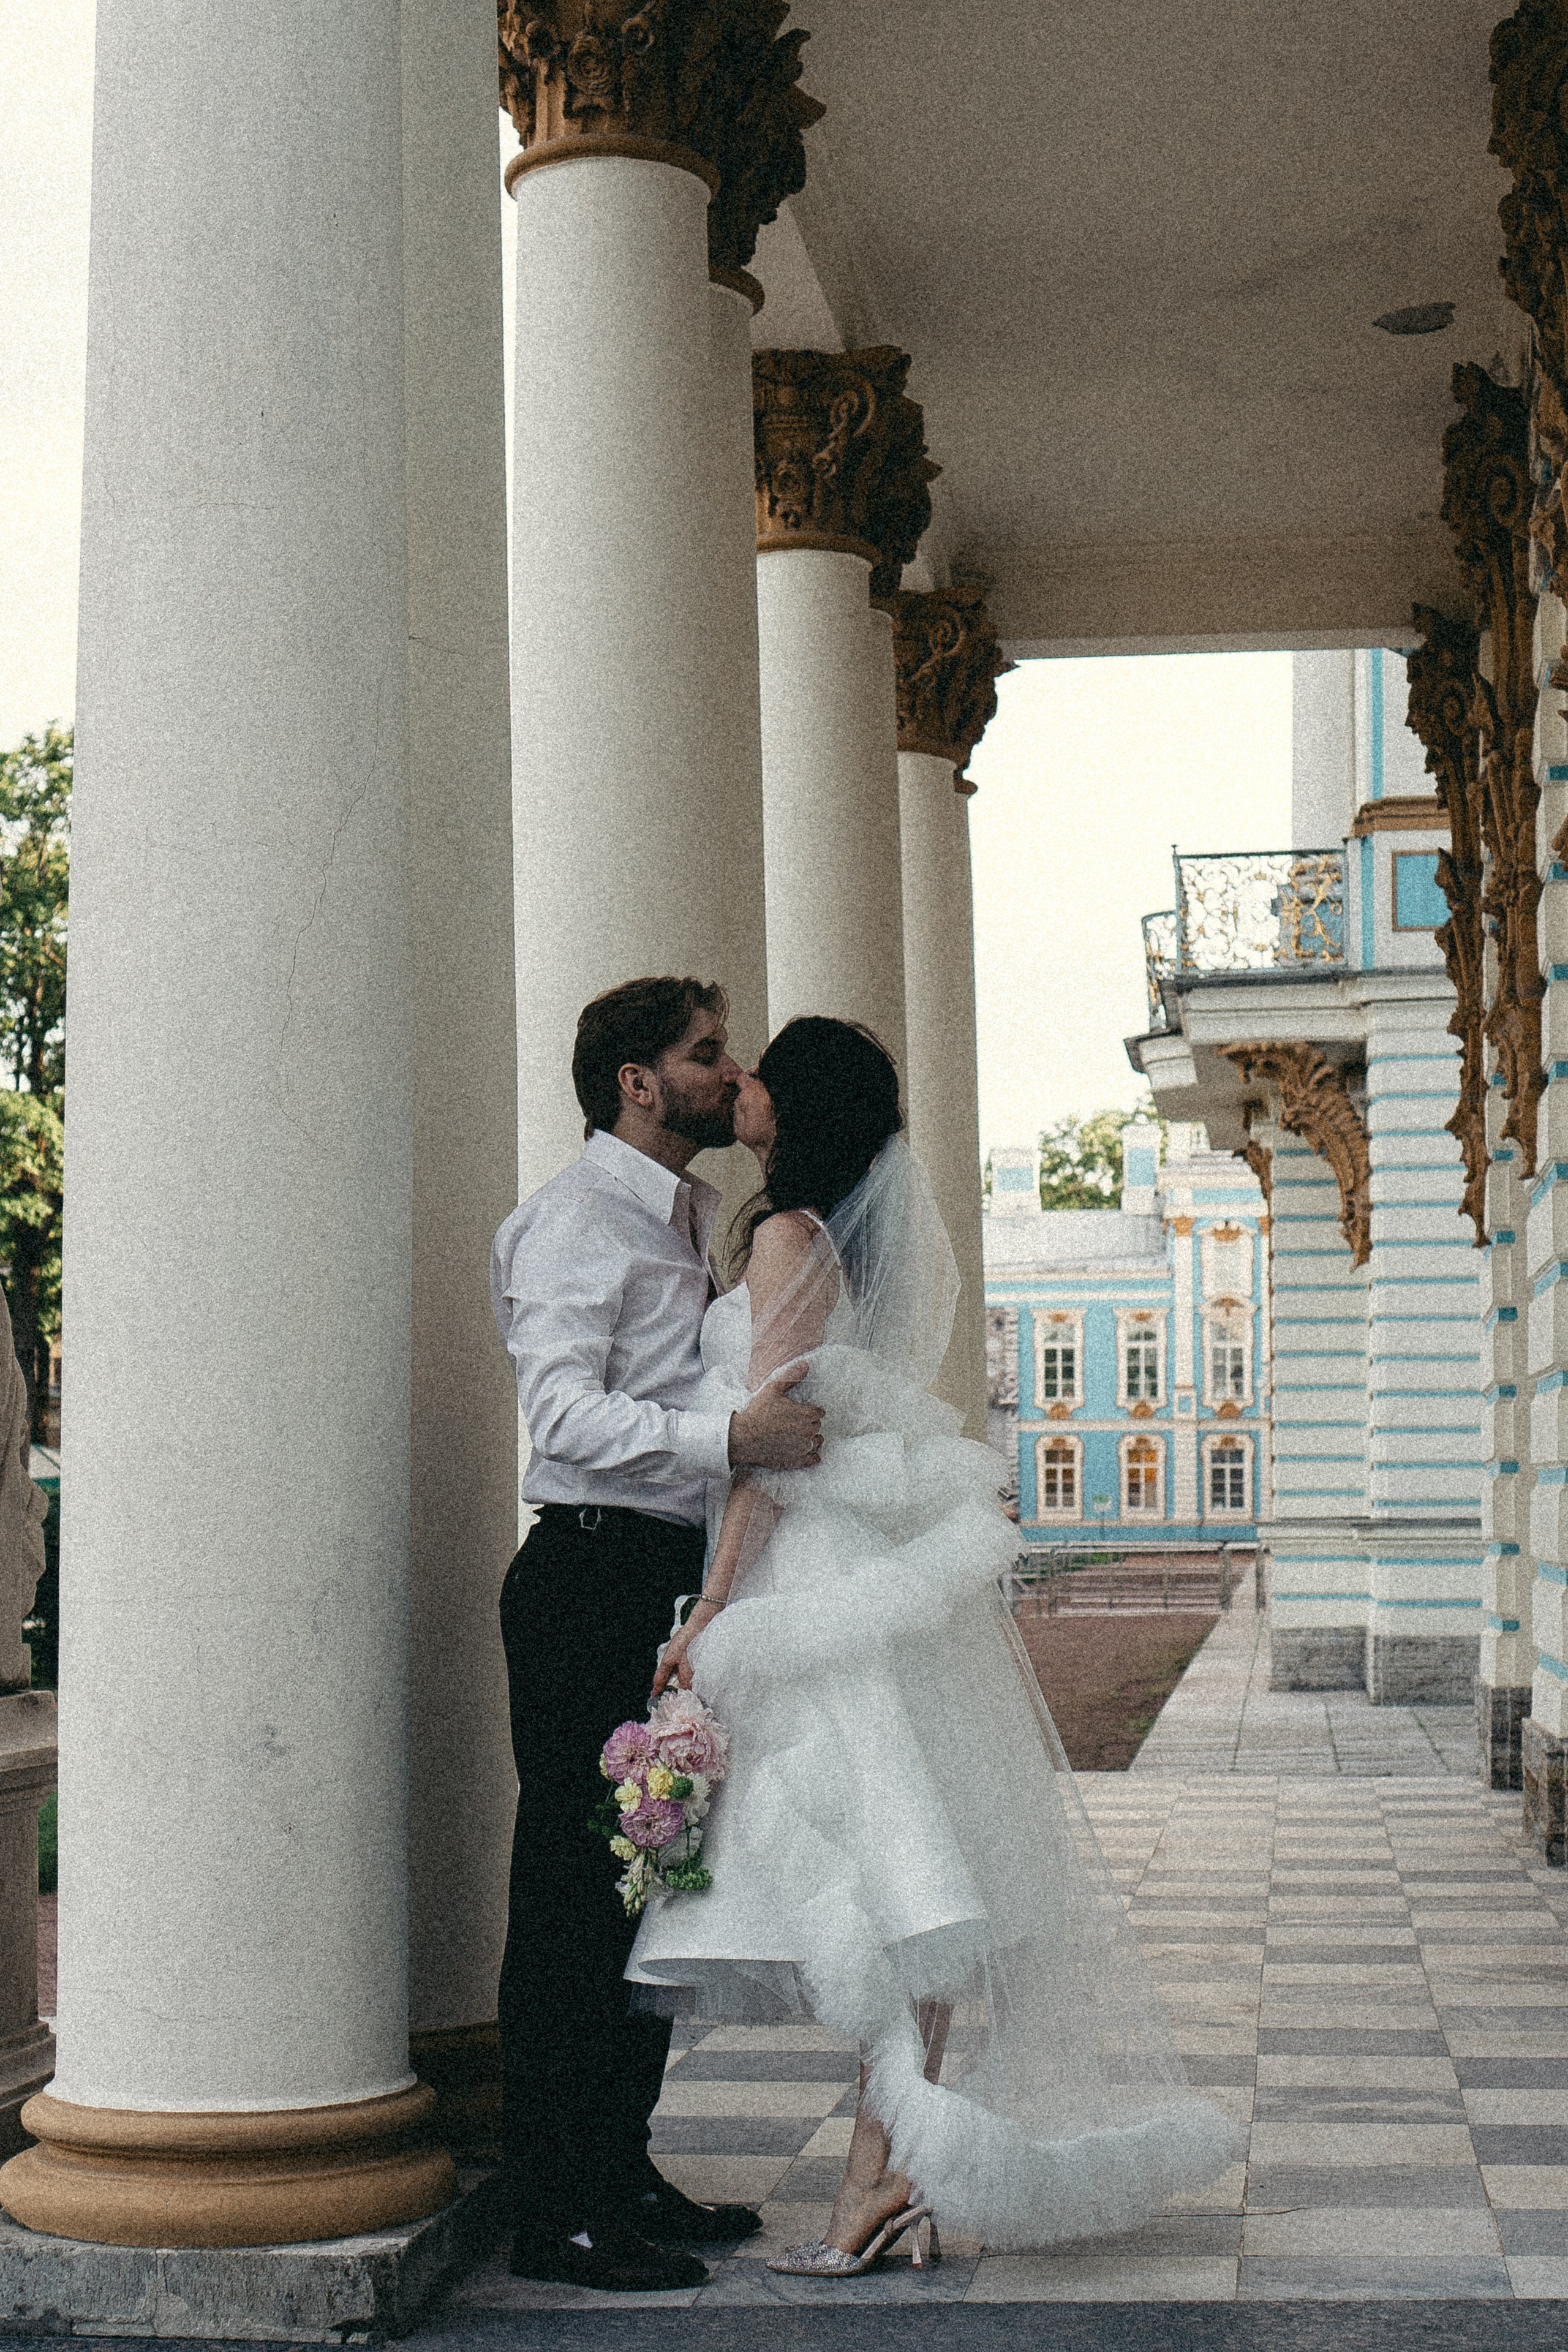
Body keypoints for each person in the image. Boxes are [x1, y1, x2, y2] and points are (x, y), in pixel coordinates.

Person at [628, 1016, 1243, 2274]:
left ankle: (884, 2173)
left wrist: (714, 1606)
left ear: (793, 1109)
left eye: (758, 1076)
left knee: (896, 1879)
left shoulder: (789, 1237)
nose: (739, 1084)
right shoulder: (824, 1238)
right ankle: (890, 2169)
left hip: (812, 1577)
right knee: (910, 1880)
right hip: (857, 1569)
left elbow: (774, 1442)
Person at [490, 976, 825, 2294]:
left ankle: (617, 2169)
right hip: (586, 1576)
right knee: (573, 1898)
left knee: (644, 1885)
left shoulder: (679, 1214)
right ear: (635, 1082)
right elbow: (561, 1417)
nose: (727, 1071)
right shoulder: (574, 1221)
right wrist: (729, 1437)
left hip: (657, 1583)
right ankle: (553, 2209)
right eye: (704, 1053)